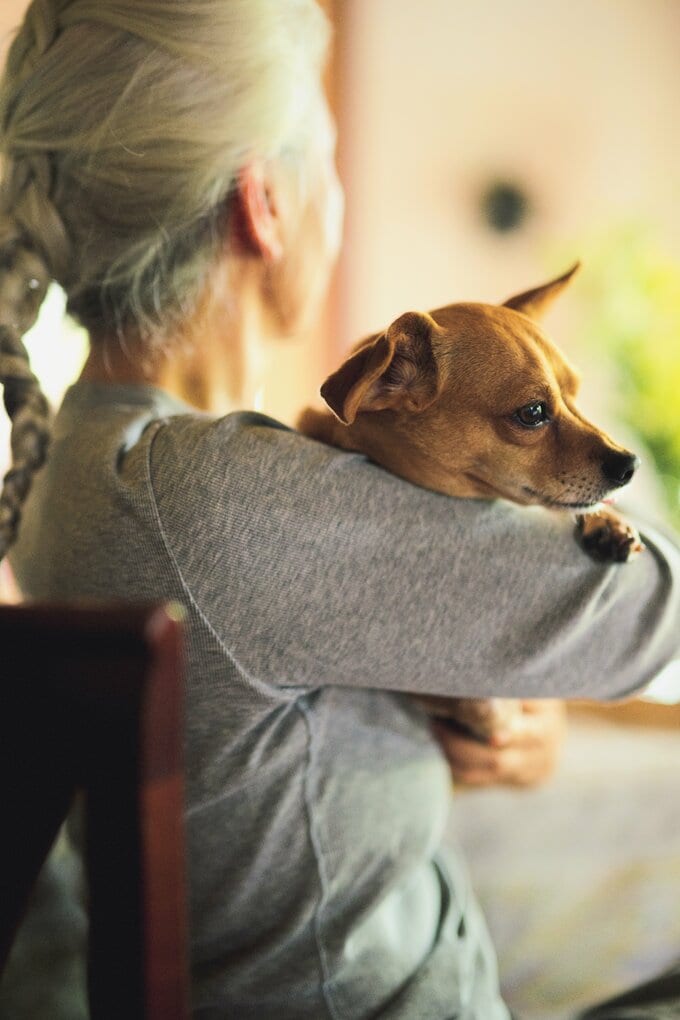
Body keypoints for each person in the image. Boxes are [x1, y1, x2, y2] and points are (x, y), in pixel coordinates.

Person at [0, 2, 679, 1017]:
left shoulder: (74, 464)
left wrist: (496, 716)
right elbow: (657, 609)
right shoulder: (229, 499)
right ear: (264, 202)